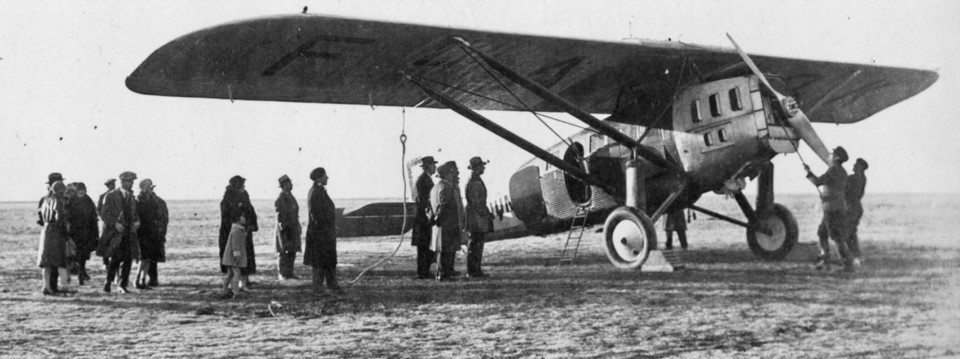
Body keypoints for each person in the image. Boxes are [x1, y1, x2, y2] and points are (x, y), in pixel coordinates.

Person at [806, 147, 852, 272]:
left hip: (832, 210)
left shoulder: (833, 170)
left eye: (833, 154)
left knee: (837, 237)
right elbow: (839, 189)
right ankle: (826, 262)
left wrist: (808, 172)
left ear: (836, 158)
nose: (830, 156)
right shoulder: (843, 172)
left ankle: (847, 265)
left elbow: (817, 181)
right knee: (822, 233)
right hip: (837, 207)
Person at [96, 171, 141, 293]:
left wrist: (137, 223)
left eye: (132, 182)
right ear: (122, 182)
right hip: (115, 234)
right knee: (116, 258)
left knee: (128, 259)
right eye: (129, 181)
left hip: (129, 233)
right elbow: (103, 213)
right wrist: (115, 224)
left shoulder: (131, 197)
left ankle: (122, 285)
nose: (131, 184)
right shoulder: (110, 196)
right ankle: (108, 282)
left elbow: (135, 214)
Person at [304, 167, 341, 292]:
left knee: (328, 259)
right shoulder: (315, 192)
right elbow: (316, 216)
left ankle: (331, 284)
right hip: (320, 234)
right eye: (325, 176)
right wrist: (327, 228)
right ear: (319, 178)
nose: (327, 178)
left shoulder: (319, 191)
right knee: (319, 261)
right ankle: (318, 288)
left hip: (325, 232)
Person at [218, 175, 258, 289]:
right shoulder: (228, 199)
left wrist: (251, 225)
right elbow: (229, 216)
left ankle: (244, 281)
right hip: (233, 232)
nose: (243, 186)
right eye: (241, 183)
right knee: (235, 258)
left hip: (243, 230)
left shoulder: (243, 195)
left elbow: (250, 210)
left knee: (245, 256)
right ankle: (238, 282)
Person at [430, 161, 464, 281]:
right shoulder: (446, 188)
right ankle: (444, 274)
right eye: (454, 172)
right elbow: (443, 207)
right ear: (449, 173)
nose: (456, 174)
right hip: (447, 224)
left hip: (442, 225)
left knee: (444, 250)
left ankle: (445, 272)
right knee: (446, 250)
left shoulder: (436, 187)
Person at [37, 180, 70, 295]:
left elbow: (40, 217)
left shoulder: (45, 201)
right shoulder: (58, 201)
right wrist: (65, 232)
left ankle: (46, 287)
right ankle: (64, 286)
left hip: (45, 231)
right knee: (61, 260)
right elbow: (59, 217)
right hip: (56, 232)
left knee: (46, 262)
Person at [464, 156, 493, 278]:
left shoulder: (475, 180)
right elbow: (477, 203)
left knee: (476, 244)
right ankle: (473, 271)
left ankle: (475, 270)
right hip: (477, 219)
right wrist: (485, 213)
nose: (484, 167)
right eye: (482, 166)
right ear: (477, 168)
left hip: (476, 218)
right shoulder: (475, 182)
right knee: (476, 244)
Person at [135, 179, 167, 289]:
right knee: (144, 258)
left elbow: (163, 218)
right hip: (143, 233)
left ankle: (149, 279)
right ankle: (140, 279)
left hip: (154, 233)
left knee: (150, 258)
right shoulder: (138, 201)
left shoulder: (157, 201)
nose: (151, 190)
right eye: (150, 187)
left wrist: (161, 232)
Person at [66, 182, 98, 285]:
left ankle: (82, 272)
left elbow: (94, 216)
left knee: (84, 255)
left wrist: (95, 233)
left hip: (87, 232)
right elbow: (68, 216)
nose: (81, 192)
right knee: (76, 255)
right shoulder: (72, 201)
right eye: (79, 190)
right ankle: (80, 274)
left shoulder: (88, 200)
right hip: (75, 233)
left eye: (83, 190)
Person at [411, 156, 438, 279]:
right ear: (428, 166)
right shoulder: (424, 180)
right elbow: (424, 201)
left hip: (423, 218)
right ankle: (422, 272)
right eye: (433, 165)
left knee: (425, 246)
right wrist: (430, 216)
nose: (435, 167)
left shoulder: (424, 179)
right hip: (423, 218)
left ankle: (424, 271)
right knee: (424, 246)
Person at [274, 174, 301, 280]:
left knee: (292, 251)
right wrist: (284, 228)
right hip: (285, 229)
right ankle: (283, 273)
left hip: (293, 227)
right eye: (289, 183)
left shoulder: (290, 196)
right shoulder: (281, 198)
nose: (292, 185)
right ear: (284, 185)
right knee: (284, 251)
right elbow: (280, 215)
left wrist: (297, 226)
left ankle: (289, 273)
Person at [845, 158, 869, 266]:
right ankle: (856, 256)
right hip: (857, 207)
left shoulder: (852, 178)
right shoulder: (863, 178)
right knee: (851, 232)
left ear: (860, 167)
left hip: (851, 207)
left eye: (856, 164)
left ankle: (854, 256)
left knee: (848, 233)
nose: (853, 165)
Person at [221, 208, 249, 299]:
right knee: (236, 273)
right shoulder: (237, 230)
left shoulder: (236, 229)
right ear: (238, 219)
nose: (244, 218)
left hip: (230, 256)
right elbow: (236, 245)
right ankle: (236, 292)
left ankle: (225, 291)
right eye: (243, 217)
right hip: (233, 257)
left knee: (230, 274)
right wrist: (237, 256)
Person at [98, 178, 116, 269]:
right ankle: (105, 262)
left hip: (115, 221)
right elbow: (100, 210)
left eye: (114, 184)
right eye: (111, 185)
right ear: (108, 186)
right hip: (106, 222)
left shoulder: (117, 195)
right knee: (105, 241)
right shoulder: (103, 196)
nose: (113, 186)